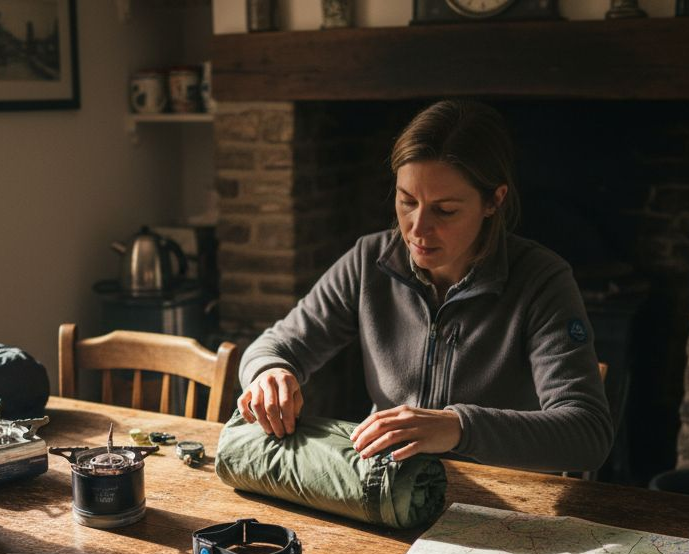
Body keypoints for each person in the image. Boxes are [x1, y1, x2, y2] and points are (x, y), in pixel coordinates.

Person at [235, 100, 612, 472]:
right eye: (407, 201)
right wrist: (269, 371)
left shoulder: (542, 280)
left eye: (445, 210)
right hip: (387, 485)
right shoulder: (369, 261)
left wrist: (459, 427)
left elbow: (587, 432)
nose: (417, 229)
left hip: (502, 495)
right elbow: (275, 345)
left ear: (494, 201)